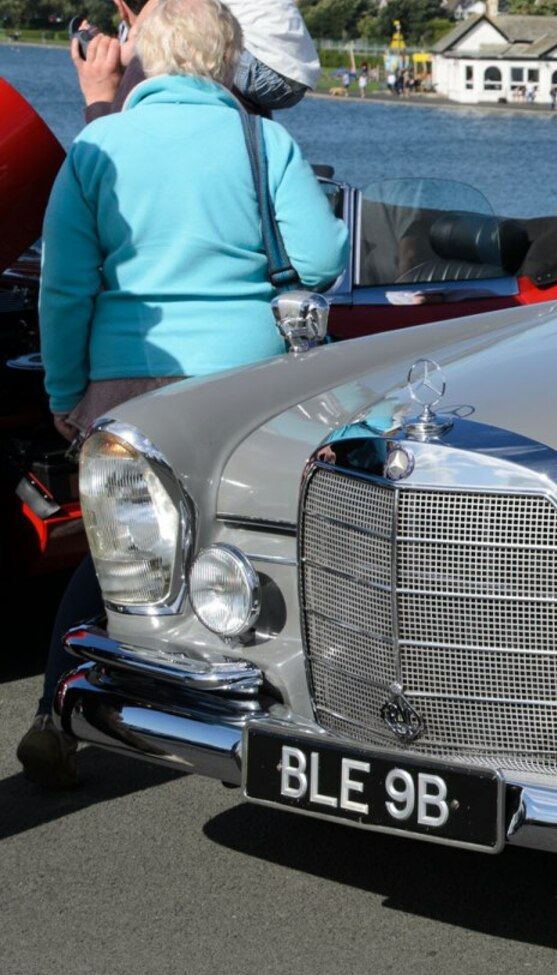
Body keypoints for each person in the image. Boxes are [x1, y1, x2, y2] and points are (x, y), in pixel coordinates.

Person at [15, 0, 349, 789]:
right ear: (227, 58)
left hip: (123, 381)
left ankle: (50, 714)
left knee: (117, 550)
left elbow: (64, 290)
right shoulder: (262, 139)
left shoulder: (99, 145)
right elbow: (322, 255)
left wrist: (68, 393)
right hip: (244, 380)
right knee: (246, 534)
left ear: (146, 56)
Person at [71, 0, 320, 120]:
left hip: (262, 65)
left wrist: (99, 99)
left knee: (164, 38)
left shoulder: (158, 49)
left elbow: (111, 168)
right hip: (289, 75)